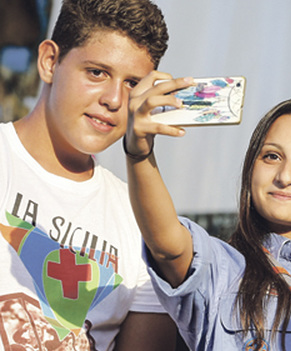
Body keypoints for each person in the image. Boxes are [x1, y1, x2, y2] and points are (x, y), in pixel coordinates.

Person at [123, 90, 291, 350]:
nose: (285, 177)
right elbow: (167, 247)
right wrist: (139, 154)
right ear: (251, 166)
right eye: (272, 156)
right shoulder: (221, 269)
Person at [0, 0, 179, 350]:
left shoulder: (141, 219)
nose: (114, 99)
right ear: (50, 61)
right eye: (97, 72)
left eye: (132, 84)